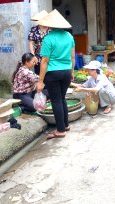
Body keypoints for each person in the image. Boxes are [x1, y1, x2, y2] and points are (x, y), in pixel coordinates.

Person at [36, 10, 75, 140]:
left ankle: (60, 130)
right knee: (62, 98)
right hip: (66, 71)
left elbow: (44, 61)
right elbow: (72, 56)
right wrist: (72, 72)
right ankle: (65, 125)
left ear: (50, 25)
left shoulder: (48, 38)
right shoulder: (69, 37)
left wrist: (40, 81)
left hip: (53, 73)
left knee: (56, 101)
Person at [28, 10, 49, 74]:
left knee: (49, 77)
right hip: (38, 56)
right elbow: (31, 43)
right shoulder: (34, 29)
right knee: (38, 75)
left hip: (50, 57)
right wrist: (33, 56)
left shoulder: (51, 29)